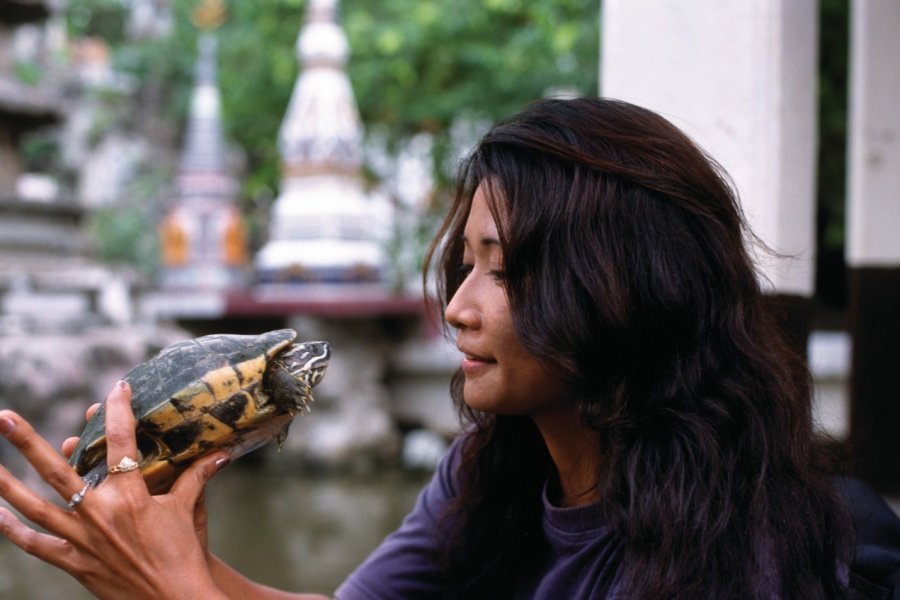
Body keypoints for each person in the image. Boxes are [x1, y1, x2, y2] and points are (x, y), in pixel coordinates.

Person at [0, 96, 898, 599]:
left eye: (503, 272)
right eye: (462, 265)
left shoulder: (770, 551)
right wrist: (167, 569)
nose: (458, 309)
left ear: (626, 291)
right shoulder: (490, 476)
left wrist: (177, 592)